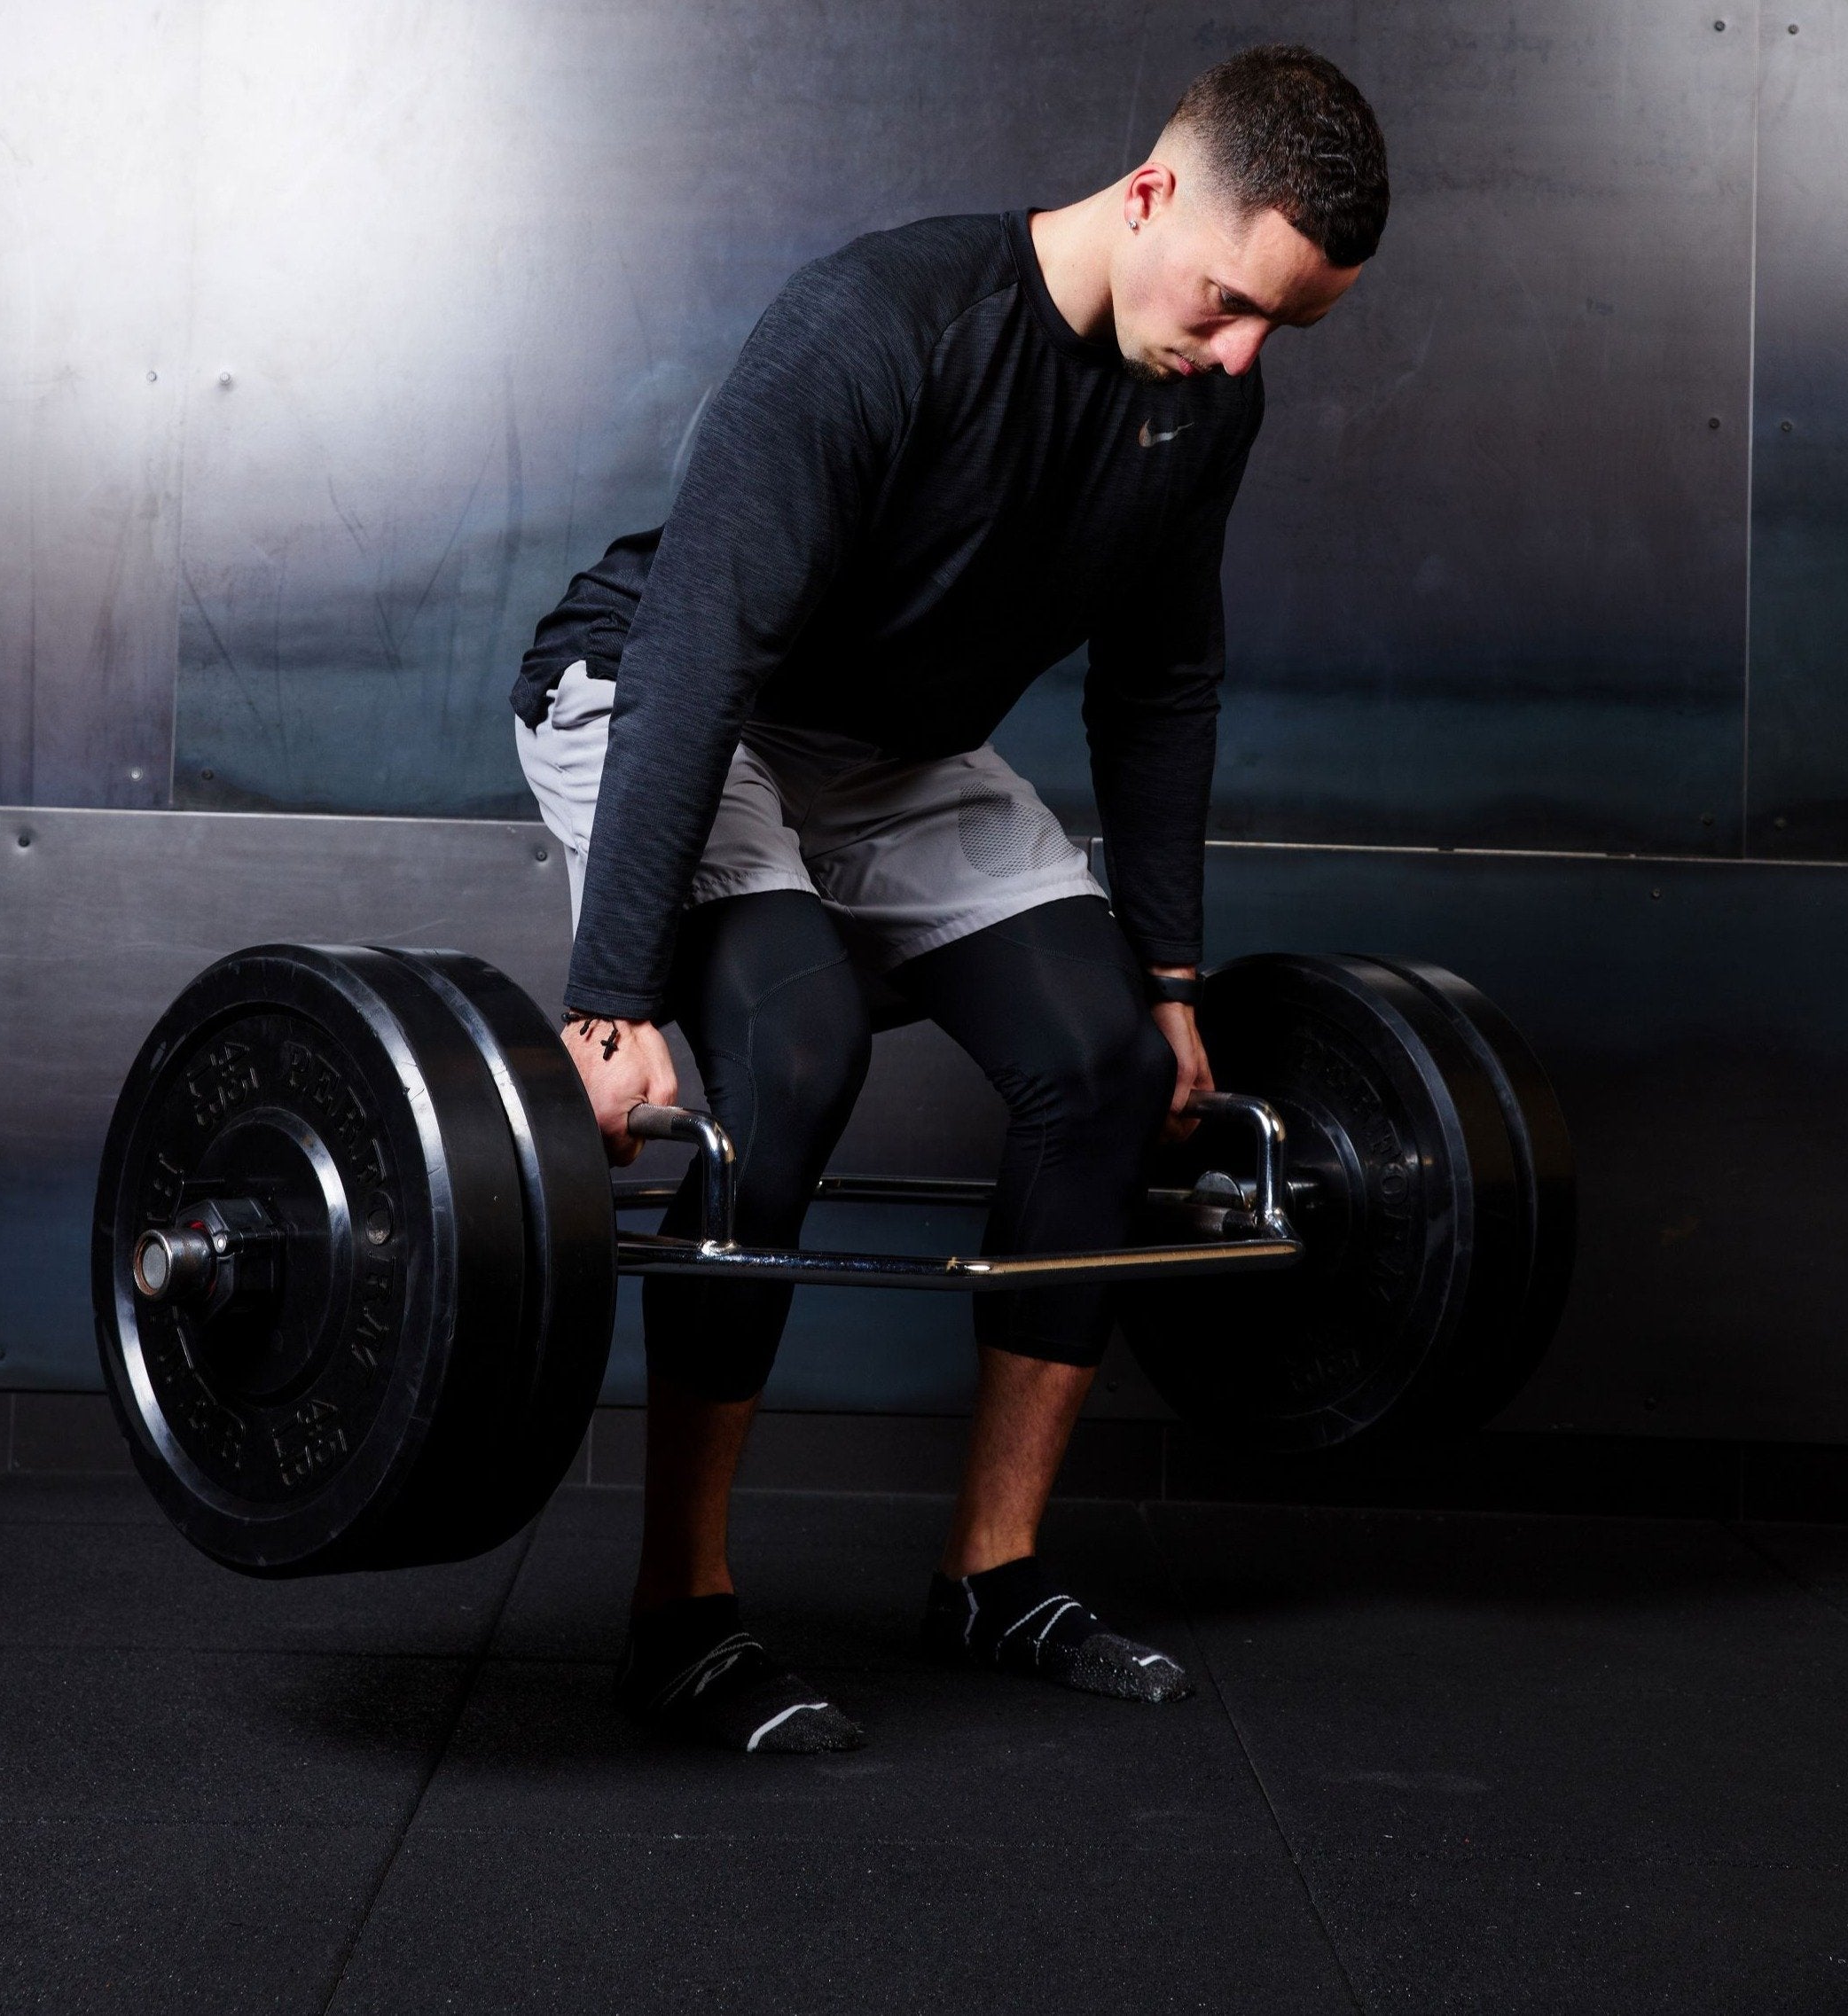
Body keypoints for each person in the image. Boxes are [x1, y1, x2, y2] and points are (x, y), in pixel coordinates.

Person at [511, 44, 1387, 1754]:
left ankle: (992, 1572)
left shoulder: (1205, 394)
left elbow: (1162, 679)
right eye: (1226, 304)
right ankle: (678, 1612)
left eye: (1285, 328)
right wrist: (608, 1003)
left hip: (891, 750)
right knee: (791, 1049)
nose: (1241, 354)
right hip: (666, 691)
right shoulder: (881, 323)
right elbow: (702, 649)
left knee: (1112, 1067)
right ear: (1149, 194)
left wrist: (1175, 975)